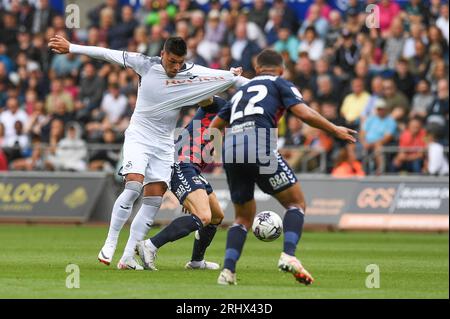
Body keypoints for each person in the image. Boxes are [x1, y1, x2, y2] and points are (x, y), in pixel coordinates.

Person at [48, 34, 246, 270]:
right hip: (139, 137)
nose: (175, 67)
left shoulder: (189, 71)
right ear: (162, 54)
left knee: (152, 201)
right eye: (172, 61)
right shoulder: (144, 64)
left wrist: (261, 83)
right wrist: (72, 47)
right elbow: (107, 53)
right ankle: (110, 242)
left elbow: (229, 78)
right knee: (133, 187)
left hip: (163, 145)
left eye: (179, 62)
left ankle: (128, 256)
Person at [208, 50, 356, 285]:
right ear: (282, 69)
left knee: (243, 218)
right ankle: (288, 255)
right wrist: (334, 129)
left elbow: (213, 129)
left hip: (231, 150)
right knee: (296, 203)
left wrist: (216, 156)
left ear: (257, 70)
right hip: (259, 146)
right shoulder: (280, 83)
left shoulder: (239, 93)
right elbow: (303, 113)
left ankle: (228, 272)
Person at [136, 96, 230, 271]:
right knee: (204, 216)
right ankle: (150, 245)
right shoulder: (221, 105)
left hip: (193, 169)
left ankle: (196, 262)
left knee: (216, 216)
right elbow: (205, 98)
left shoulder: (230, 122)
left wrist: (195, 191)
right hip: (181, 163)